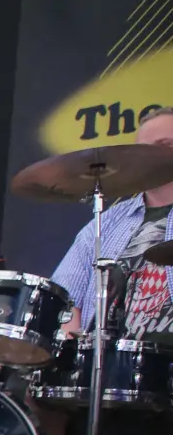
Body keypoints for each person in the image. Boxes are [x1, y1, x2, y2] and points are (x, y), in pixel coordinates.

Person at [52, 106, 173, 343]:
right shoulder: (104, 223)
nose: (150, 156)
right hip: (105, 368)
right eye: (143, 150)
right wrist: (73, 357)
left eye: (164, 145)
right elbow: (64, 299)